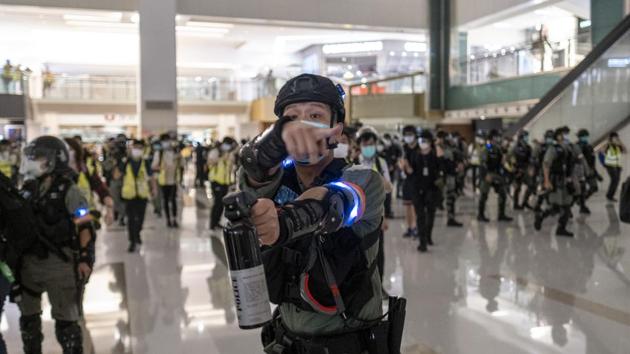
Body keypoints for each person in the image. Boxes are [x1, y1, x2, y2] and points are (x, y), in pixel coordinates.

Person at [238, 73, 394, 353]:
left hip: (348, 343)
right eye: (293, 117)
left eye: (315, 115)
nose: (303, 126)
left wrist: (283, 222)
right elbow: (253, 172)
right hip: (286, 339)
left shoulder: (364, 179)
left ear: (337, 129)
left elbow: (332, 203)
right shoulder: (276, 180)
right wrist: (271, 146)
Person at [18, 136, 94, 354]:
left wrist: (85, 258)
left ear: (54, 159)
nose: (32, 162)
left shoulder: (70, 191)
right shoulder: (28, 190)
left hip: (59, 265)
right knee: (29, 324)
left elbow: (85, 227)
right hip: (29, 266)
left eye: (38, 157)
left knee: (67, 326)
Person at [404, 130, 440, 252]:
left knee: (431, 214)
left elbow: (442, 169)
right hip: (417, 189)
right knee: (420, 215)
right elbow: (411, 173)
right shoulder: (415, 155)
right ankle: (422, 242)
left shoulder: (435, 155)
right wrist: (407, 169)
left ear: (430, 142)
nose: (422, 143)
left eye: (425, 141)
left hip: (432, 189)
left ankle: (428, 235)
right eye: (420, 141)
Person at [535, 128, 575, 237]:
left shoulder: (568, 148)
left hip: (566, 180)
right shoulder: (553, 149)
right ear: (558, 136)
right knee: (562, 206)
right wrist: (547, 181)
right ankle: (560, 228)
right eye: (563, 134)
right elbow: (546, 164)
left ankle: (542, 216)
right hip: (557, 181)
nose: (565, 136)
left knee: (558, 206)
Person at [120, 140, 155, 252]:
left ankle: (138, 233)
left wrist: (153, 188)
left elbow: (151, 177)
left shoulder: (146, 163)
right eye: (135, 148)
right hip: (129, 195)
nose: (137, 150)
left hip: (142, 195)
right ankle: (132, 241)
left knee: (140, 218)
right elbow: (117, 175)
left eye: (140, 148)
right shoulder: (126, 162)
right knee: (131, 219)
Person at [478, 129, 513, 222]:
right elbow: (482, 163)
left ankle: (501, 214)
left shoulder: (498, 149)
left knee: (503, 193)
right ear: (492, 137)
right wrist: (485, 175)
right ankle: (480, 215)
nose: (499, 139)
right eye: (497, 137)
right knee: (484, 194)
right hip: (488, 174)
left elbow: (502, 162)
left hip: (497, 174)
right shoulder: (487, 147)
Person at [152, 134, 182, 228]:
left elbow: (181, 165)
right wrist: (161, 167)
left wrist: (179, 158)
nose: (166, 143)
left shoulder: (176, 152)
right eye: (164, 141)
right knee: (165, 200)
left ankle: (174, 219)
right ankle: (168, 219)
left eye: (168, 140)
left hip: (173, 180)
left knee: (173, 200)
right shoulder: (159, 153)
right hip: (163, 180)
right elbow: (153, 166)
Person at [208, 137, 237, 232]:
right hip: (216, 181)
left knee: (222, 204)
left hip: (225, 182)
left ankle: (217, 222)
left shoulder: (229, 153)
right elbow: (209, 163)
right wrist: (220, 158)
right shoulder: (215, 152)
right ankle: (212, 224)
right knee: (217, 203)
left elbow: (231, 166)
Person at [436, 131, 463, 227]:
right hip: (443, 177)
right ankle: (450, 218)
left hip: (450, 175)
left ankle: (451, 218)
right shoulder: (437, 148)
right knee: (449, 197)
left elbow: (456, 155)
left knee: (451, 196)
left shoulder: (449, 148)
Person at [576, 129, 602, 213]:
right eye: (584, 136)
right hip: (581, 171)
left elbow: (592, 160)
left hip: (590, 170)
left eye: (586, 136)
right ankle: (582, 206)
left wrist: (596, 173)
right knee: (582, 189)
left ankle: (580, 202)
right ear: (580, 137)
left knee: (594, 187)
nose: (585, 137)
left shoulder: (589, 146)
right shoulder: (576, 146)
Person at [400, 125, 418, 237]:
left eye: (410, 134)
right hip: (406, 181)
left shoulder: (419, 149)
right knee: (407, 206)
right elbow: (402, 162)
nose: (408, 137)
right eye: (406, 135)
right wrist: (402, 165)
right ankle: (409, 227)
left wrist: (408, 167)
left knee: (416, 207)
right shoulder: (404, 148)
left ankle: (416, 228)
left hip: (417, 181)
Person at [509, 130, 534, 210]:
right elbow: (509, 158)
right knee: (517, 187)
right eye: (525, 136)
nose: (527, 138)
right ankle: (516, 204)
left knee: (531, 185)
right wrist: (514, 169)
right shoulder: (515, 147)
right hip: (518, 170)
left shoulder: (528, 147)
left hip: (525, 169)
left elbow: (530, 159)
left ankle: (525, 202)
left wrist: (530, 168)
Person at [602, 132, 626, 202]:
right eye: (614, 137)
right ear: (611, 138)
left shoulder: (618, 146)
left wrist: (620, 142)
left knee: (617, 181)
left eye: (617, 137)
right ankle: (609, 196)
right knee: (614, 180)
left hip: (617, 166)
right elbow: (602, 151)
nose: (616, 139)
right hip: (610, 166)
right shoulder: (608, 145)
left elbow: (625, 151)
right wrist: (608, 142)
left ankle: (610, 195)